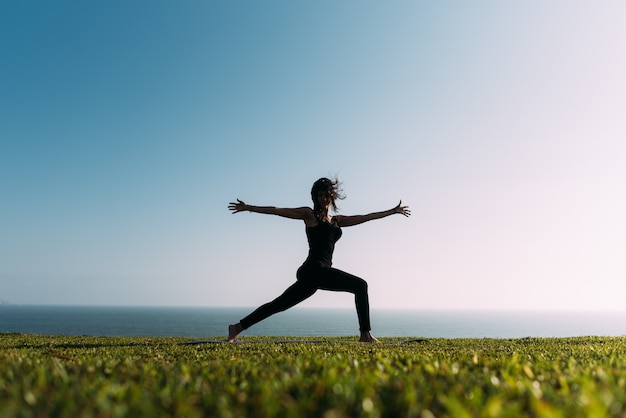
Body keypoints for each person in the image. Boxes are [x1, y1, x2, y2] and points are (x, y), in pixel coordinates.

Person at [227, 177, 410, 343]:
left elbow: (366, 217)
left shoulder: (336, 221)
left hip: (317, 274)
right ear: (314, 197)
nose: (322, 198)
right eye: (319, 195)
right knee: (360, 285)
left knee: (279, 305)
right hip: (313, 269)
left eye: (326, 195)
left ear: (331, 197)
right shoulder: (309, 215)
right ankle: (365, 334)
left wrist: (392, 211)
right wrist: (249, 207)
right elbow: (278, 211)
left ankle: (237, 327)